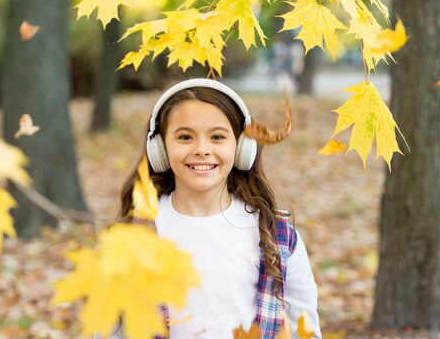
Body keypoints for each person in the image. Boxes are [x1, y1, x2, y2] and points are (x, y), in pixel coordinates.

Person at [119, 79, 321, 339]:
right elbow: (110, 329)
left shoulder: (277, 238)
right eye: (184, 137)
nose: (202, 149)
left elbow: (306, 332)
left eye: (217, 137)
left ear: (241, 148)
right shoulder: (135, 236)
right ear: (159, 148)